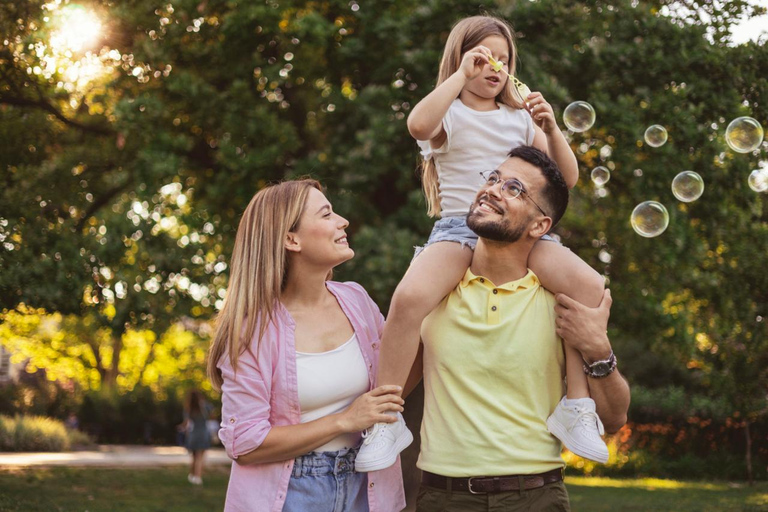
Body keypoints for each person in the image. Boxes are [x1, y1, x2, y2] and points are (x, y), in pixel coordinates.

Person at [356, 14, 609, 473]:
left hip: (524, 233)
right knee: (409, 297)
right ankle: (386, 418)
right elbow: (416, 124)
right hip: (458, 228)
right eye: (484, 57)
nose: (494, 67)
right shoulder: (448, 111)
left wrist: (551, 128)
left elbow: (565, 182)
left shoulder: (519, 119)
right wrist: (460, 76)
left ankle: (576, 406)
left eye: (503, 60)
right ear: (462, 60)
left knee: (587, 287)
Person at [414, 145, 630, 511]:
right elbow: (391, 388)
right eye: (494, 178)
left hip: (536, 497)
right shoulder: (433, 291)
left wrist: (597, 349)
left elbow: (614, 418)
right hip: (443, 498)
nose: (494, 189)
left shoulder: (561, 302)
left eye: (515, 189)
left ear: (540, 225)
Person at [207, 179, 406, 512]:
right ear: (291, 239)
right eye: (326, 214)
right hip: (291, 495)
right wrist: (345, 420)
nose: (342, 221)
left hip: (366, 485)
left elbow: (397, 371)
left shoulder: (356, 300)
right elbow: (245, 443)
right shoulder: (250, 331)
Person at [183, 388, 212, 485]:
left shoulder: (189, 408)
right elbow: (212, 412)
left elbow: (186, 423)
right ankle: (198, 477)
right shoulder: (204, 406)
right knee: (200, 456)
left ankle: (192, 475)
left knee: (194, 457)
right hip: (203, 433)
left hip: (193, 434)